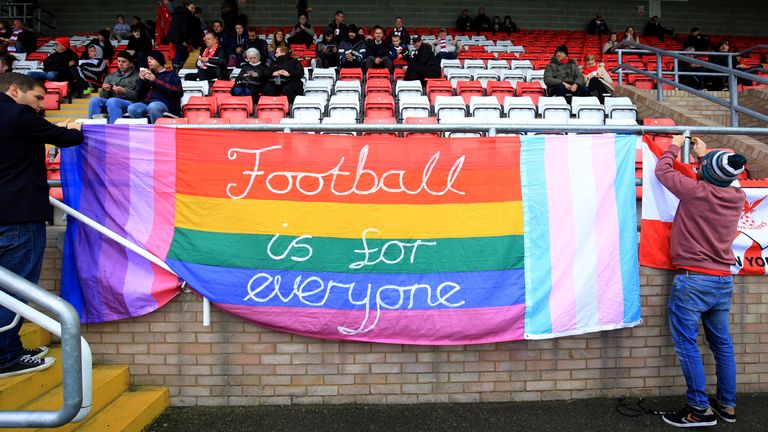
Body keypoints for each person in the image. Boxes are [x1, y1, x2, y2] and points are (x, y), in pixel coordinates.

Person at [655, 135, 746, 428]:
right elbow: (715, 177)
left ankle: (699, 410)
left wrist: (673, 144)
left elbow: (663, 171)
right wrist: (703, 157)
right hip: (722, 281)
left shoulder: (696, 192)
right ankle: (727, 406)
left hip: (693, 281)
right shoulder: (737, 196)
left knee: (687, 344)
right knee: (722, 345)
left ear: (707, 173)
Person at [0, 72, 83, 379]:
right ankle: (5, 356)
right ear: (13, 90)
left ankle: (11, 346)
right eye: (36, 98)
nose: (39, 105)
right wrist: (73, 127)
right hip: (18, 217)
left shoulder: (18, 117)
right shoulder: (17, 113)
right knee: (15, 290)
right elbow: (70, 138)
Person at [127, 50, 183, 123]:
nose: (149, 61)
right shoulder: (148, 74)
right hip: (148, 103)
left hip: (167, 103)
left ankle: (156, 132)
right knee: (132, 108)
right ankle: (145, 130)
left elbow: (178, 92)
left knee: (153, 106)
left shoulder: (171, 74)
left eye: (151, 59)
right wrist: (142, 81)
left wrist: (155, 80)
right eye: (148, 59)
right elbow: (138, 95)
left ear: (159, 61)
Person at [88, 51, 140, 123]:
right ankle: (94, 127)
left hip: (130, 103)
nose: (120, 64)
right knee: (94, 100)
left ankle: (114, 129)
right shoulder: (110, 76)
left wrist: (123, 91)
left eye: (124, 61)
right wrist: (106, 90)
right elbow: (102, 96)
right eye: (118, 61)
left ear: (131, 63)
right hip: (111, 103)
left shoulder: (138, 76)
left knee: (113, 101)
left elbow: (139, 96)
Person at [168, 1, 202, 71]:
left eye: (194, 8)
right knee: (180, 52)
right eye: (192, 8)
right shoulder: (186, 14)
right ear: (186, 7)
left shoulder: (178, 13)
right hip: (180, 38)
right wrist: (184, 40)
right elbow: (184, 28)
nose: (193, 10)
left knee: (185, 53)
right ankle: (176, 70)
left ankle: (178, 67)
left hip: (174, 36)